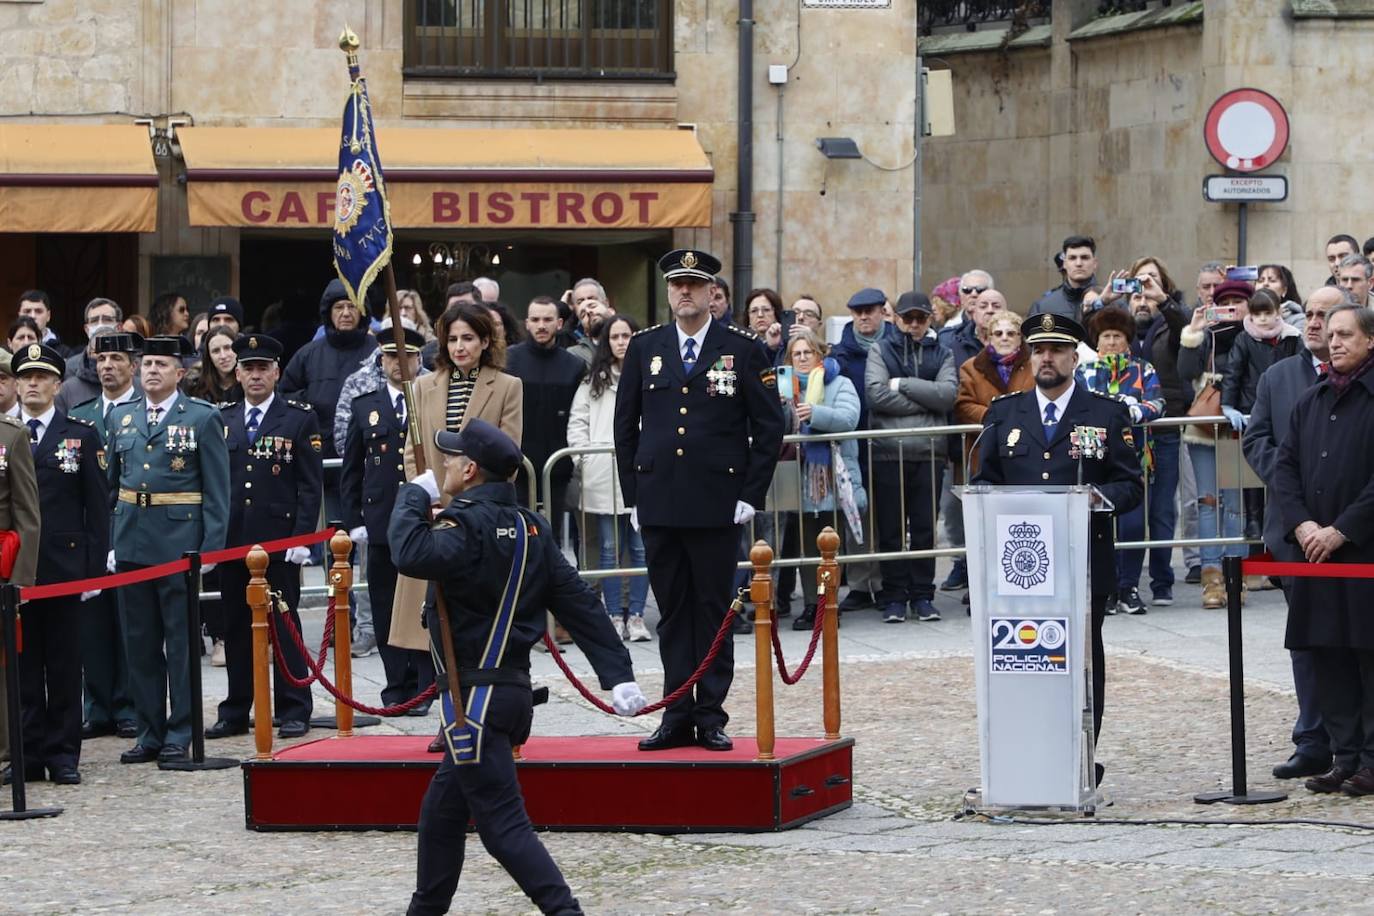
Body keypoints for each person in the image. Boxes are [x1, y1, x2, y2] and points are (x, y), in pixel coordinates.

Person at [391, 420, 644, 915]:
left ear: (469, 470)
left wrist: (412, 497)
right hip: (506, 697)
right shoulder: (532, 529)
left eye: (450, 459)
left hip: (476, 707)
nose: (442, 465)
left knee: (504, 828)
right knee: (441, 815)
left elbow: (409, 552)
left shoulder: (462, 527)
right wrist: (619, 675)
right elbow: (579, 605)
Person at [614, 248, 783, 752]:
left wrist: (750, 494)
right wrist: (633, 496)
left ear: (713, 292)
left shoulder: (743, 348)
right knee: (671, 612)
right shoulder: (647, 348)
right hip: (660, 499)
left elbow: (770, 426)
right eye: (676, 284)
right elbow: (625, 427)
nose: (684, 292)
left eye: (694, 284)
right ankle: (674, 711)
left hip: (716, 500)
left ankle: (709, 714)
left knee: (712, 612)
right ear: (668, 292)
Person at [972, 312, 1143, 757]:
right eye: (1039, 350)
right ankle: (1029, 751)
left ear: (1074, 356)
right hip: (1020, 569)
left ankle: (1083, 753)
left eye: (1057, 350)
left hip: (1083, 559)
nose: (1046, 358)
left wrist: (1095, 498)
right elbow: (985, 480)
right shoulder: (1004, 413)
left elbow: (1131, 486)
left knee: (1083, 661)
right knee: (1024, 656)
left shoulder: (1107, 413)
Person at [106, 336, 229, 765]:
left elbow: (217, 490)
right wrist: (111, 540)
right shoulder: (122, 418)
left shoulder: (201, 417)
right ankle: (149, 731)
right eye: (147, 364)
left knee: (179, 644)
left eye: (161, 364)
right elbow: (112, 487)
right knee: (138, 644)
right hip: (132, 543)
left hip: (179, 545)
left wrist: (210, 548)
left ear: (179, 373)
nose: (152, 371)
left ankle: (181, 730)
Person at [1272, 305, 1374, 797]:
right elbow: (1284, 470)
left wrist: (1342, 529)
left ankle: (1372, 759)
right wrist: (1306, 525)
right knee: (1329, 655)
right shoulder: (1309, 402)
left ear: (1369, 340)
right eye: (1330, 334)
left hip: (1362, 553)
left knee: (1368, 657)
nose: (1334, 342)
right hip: (1315, 553)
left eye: (1345, 334)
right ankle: (1344, 754)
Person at [1242, 285, 1342, 782]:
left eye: (1328, 314)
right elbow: (1256, 437)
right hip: (1292, 528)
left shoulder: (1357, 379)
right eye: (1310, 314)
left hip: (1346, 532)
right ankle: (1312, 738)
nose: (1317, 323)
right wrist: (1293, 488)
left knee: (1349, 639)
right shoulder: (1279, 376)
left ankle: (1355, 743)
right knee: (1305, 638)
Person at [205, 334, 322, 741]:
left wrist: (301, 540)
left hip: (278, 543)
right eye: (248, 368)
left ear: (276, 372)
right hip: (233, 541)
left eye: (263, 368)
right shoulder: (220, 417)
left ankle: (294, 708)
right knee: (235, 627)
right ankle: (236, 709)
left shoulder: (298, 417)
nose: (255, 376)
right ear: (236, 373)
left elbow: (310, 486)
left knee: (285, 626)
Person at [393, 302, 523, 658]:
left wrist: (473, 503)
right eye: (452, 339)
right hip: (433, 508)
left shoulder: (509, 386)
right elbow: (411, 450)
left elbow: (508, 454)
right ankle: (421, 684)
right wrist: (427, 498)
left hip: (478, 513)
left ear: (485, 341)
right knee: (425, 609)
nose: (459, 346)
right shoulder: (423, 385)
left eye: (468, 338)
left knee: (472, 612)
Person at [13, 344, 109, 786]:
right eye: (25, 376)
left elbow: (97, 507)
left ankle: (64, 752)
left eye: (41, 376)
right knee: (23, 664)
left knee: (66, 665)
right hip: (15, 571)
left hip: (65, 566)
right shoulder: (4, 434)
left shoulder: (81, 434)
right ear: (16, 383)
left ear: (57, 384)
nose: (33, 383)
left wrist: (92, 570)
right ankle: (28, 750)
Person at [341, 327, 435, 709]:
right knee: (383, 606)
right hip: (380, 521)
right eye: (391, 357)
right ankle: (396, 685)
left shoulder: (430, 401)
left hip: (421, 520)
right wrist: (353, 520)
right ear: (381, 361)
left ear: (418, 359)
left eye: (407, 356)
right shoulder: (366, 405)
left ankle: (426, 685)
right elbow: (351, 470)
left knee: (423, 606)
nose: (399, 364)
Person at [864, 291, 956, 623]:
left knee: (923, 528)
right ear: (897, 319)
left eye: (920, 318)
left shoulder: (942, 352)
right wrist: (925, 399)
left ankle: (922, 595)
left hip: (929, 451)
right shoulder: (881, 348)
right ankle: (893, 596)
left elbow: (947, 395)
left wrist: (902, 383)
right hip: (890, 450)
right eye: (908, 318)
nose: (914, 324)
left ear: (930, 318)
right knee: (890, 529)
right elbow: (875, 394)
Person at [69, 331, 143, 740]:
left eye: (116, 358)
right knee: (93, 626)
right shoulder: (82, 415)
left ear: (133, 365)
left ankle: (128, 704)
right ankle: (97, 706)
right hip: (91, 533)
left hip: (132, 527)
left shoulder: (141, 409)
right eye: (102, 360)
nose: (108, 366)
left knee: (130, 623)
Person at [567, 315, 650, 641]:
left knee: (641, 548)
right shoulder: (592, 384)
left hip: (640, 472)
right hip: (602, 474)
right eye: (614, 336)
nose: (620, 342)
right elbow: (578, 423)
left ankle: (638, 615)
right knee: (609, 548)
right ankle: (615, 615)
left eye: (626, 335)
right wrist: (583, 458)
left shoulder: (648, 376)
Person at [1080, 307, 1165, 615]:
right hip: (1096, 457)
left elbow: (1158, 402)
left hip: (1136, 455)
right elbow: (1078, 407)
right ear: (1097, 341)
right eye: (1107, 336)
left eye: (1118, 336)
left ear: (1128, 340)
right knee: (1099, 524)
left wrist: (1135, 411)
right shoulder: (1085, 371)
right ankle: (1107, 587)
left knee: (1132, 524)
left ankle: (1129, 586)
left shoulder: (1144, 369)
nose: (1112, 342)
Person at [780, 328, 866, 631]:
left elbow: (848, 419)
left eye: (808, 352)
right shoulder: (783, 387)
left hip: (831, 475)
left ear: (820, 354)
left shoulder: (839, 382)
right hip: (797, 475)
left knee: (829, 544)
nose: (802, 359)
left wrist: (814, 413)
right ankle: (810, 606)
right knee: (805, 547)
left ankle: (829, 605)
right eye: (796, 354)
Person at [1178, 278, 1252, 608]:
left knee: (1235, 504)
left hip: (1238, 428)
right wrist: (1193, 331)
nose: (1232, 307)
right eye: (1226, 301)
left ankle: (1236, 574)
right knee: (1209, 502)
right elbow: (1184, 371)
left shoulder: (1254, 337)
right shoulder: (1206, 337)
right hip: (1206, 427)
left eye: (1239, 300)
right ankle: (1211, 575)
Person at [828, 288, 898, 612]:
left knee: (889, 512)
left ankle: (885, 581)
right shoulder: (842, 352)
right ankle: (858, 583)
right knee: (856, 510)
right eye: (857, 312)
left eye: (869, 310)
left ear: (883, 311)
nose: (863, 317)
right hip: (854, 442)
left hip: (889, 439)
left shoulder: (897, 344)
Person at [1126, 256, 1190, 604]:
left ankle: (1162, 581)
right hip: (1126, 431)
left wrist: (1162, 300)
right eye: (1137, 284)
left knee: (1163, 508)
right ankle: (1127, 583)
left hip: (1164, 426)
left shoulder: (1171, 320)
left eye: (1150, 281)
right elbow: (1090, 336)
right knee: (1130, 508)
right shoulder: (1119, 325)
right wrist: (1105, 300)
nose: (1143, 293)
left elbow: (1189, 334)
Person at [505, 296, 586, 524]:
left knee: (554, 535)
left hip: (559, 467)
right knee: (521, 532)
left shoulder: (574, 365)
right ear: (527, 323)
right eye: (536, 319)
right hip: (517, 466)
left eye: (548, 319)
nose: (541, 325)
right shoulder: (509, 361)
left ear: (559, 324)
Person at [0, 361, 39, 784]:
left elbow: (27, 513)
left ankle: (6, 749)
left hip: (1, 560)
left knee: (3, 666)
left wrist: (21, 579)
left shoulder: (12, 436)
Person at [954, 308, 1034, 478]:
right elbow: (963, 406)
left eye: (1011, 333)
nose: (1004, 338)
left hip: (1027, 447)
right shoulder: (971, 367)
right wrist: (994, 417)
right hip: (985, 449)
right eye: (998, 334)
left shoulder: (1035, 366)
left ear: (1020, 339)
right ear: (989, 339)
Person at [59, 298, 123, 409]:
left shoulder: (137, 365)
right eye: (94, 321)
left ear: (119, 327)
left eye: (107, 319)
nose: (100, 325)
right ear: (87, 329)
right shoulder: (70, 367)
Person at [1033, 236, 1098, 321]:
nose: (1078, 263)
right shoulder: (1043, 306)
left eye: (1084, 257)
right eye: (1072, 258)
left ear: (1095, 263)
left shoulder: (1113, 304)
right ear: (1064, 263)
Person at [183, 325, 242, 407]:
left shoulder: (248, 384)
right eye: (216, 351)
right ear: (209, 356)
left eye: (228, 348)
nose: (223, 356)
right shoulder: (195, 387)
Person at [18, 290, 70, 356]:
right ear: (19, 315)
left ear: (48, 316)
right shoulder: (6, 351)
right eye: (27, 311)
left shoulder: (65, 353)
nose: (32, 316)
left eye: (38, 311)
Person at [1257, 263, 1305, 330]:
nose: (1265, 284)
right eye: (1260, 281)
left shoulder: (1299, 319)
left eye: (1272, 281)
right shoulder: (1247, 317)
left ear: (1284, 290)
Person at [745, 287, 785, 364]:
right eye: (754, 311)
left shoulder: (788, 343)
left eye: (766, 310)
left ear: (776, 313)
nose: (760, 315)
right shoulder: (742, 344)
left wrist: (773, 349)